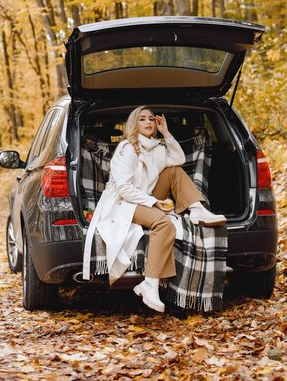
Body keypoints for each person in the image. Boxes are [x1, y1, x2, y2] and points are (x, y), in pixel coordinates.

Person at [90, 106, 226, 313]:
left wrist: (167, 134)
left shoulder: (157, 147)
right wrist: (153, 203)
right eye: (142, 119)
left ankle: (197, 208)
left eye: (151, 119)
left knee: (174, 171)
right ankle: (149, 283)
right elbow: (124, 189)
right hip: (124, 203)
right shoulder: (127, 148)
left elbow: (178, 160)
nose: (147, 122)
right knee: (164, 223)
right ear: (134, 124)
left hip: (145, 196)